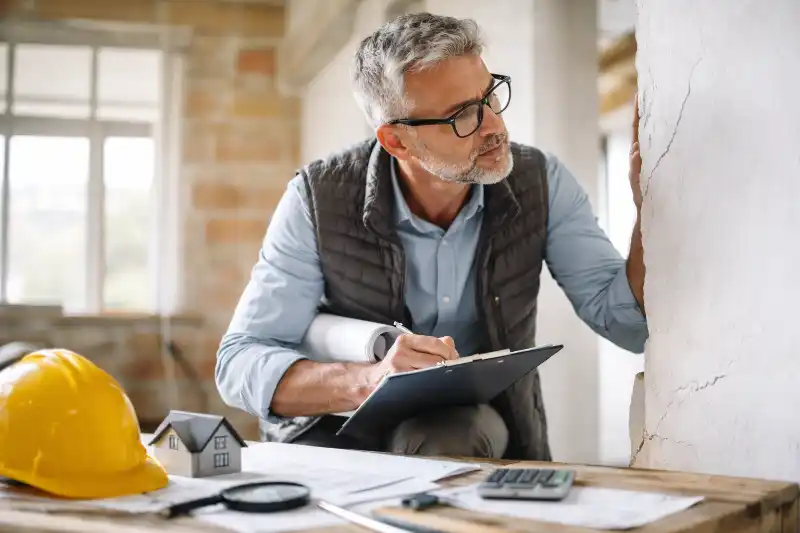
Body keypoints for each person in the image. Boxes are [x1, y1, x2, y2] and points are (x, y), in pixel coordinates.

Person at [215, 12, 647, 461]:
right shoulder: (316, 197)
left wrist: (646, 213)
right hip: (332, 423)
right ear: (396, 141)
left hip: (460, 424)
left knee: (447, 438)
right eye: (462, 116)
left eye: (490, 97)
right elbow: (238, 364)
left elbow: (629, 328)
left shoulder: (542, 181)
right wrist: (371, 380)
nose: (494, 127)